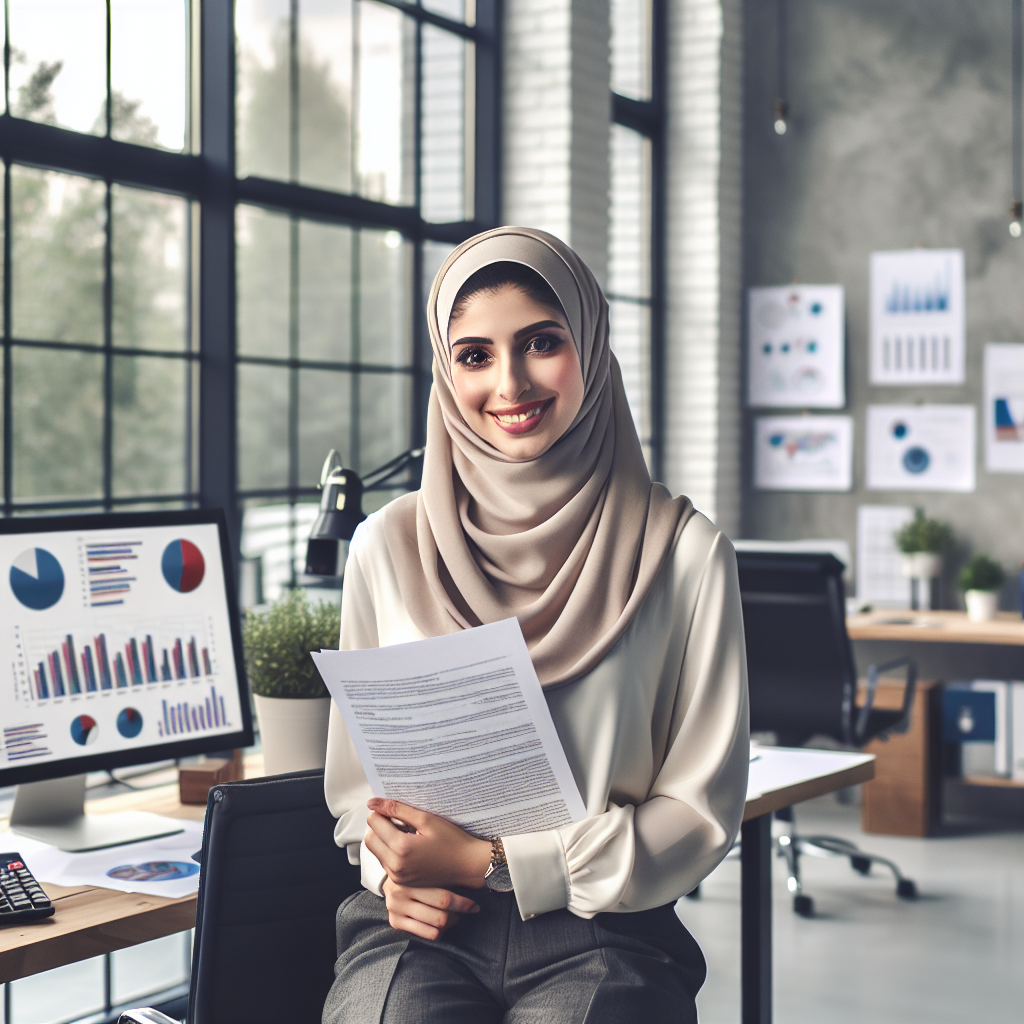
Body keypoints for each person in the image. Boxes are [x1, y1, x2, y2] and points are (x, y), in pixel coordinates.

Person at [322, 226, 749, 1024]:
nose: (510, 382)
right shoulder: (388, 544)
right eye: (474, 355)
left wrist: (500, 861)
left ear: (589, 343)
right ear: (446, 373)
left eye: (541, 342)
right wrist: (390, 870)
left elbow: (699, 812)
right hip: (422, 926)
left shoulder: (686, 553)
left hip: (605, 931)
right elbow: (356, 789)